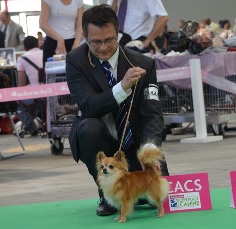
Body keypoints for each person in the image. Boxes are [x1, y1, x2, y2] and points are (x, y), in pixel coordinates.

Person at [65, 4, 169, 216]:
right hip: (101, 146)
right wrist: (122, 88)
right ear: (84, 36)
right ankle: (106, 195)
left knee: (158, 196)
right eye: (96, 42)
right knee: (88, 128)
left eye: (110, 40)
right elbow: (89, 106)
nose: (103, 47)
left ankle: (135, 191)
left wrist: (151, 151)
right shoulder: (75, 61)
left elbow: (152, 114)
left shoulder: (144, 64)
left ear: (118, 32)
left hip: (134, 144)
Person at [39, 0, 84, 65]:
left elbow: (80, 25)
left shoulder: (78, 1)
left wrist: (77, 42)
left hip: (73, 42)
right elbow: (42, 23)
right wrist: (59, 39)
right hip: (53, 41)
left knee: (75, 71)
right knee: (52, 72)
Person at [16, 36, 44, 137]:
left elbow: (21, 85)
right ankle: (34, 125)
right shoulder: (46, 53)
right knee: (35, 101)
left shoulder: (22, 58)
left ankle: (31, 128)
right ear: (38, 44)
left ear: (24, 48)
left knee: (15, 101)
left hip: (37, 94)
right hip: (52, 91)